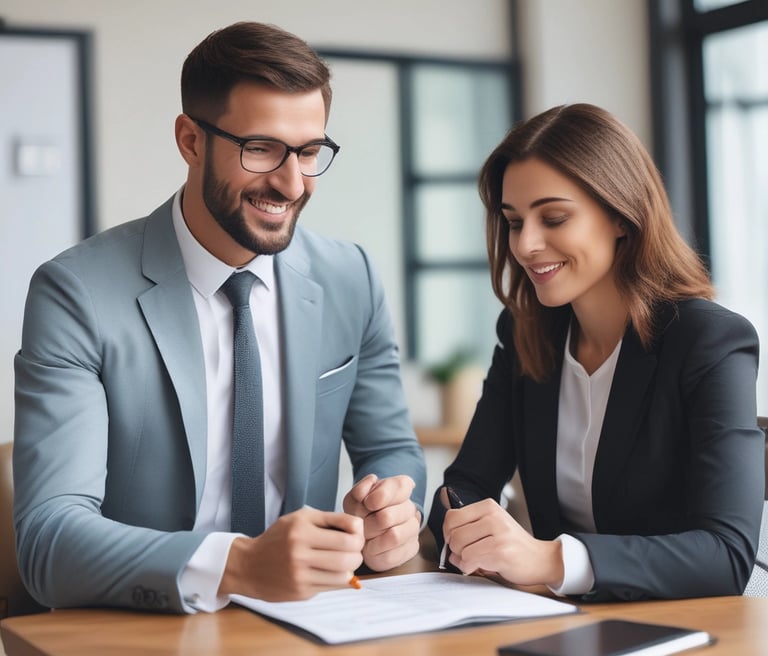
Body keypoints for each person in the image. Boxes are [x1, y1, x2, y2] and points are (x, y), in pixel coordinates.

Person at [13, 21, 426, 614]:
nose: (290, 183)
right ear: (190, 141)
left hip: (312, 623)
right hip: (145, 629)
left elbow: (392, 448)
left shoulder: (349, 276)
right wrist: (238, 566)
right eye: (260, 149)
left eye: (309, 153)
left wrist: (395, 514)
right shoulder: (76, 293)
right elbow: (48, 541)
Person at [427, 103, 763, 601]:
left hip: (681, 630)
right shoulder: (525, 334)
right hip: (557, 622)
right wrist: (457, 524)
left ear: (621, 217)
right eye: (514, 222)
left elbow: (726, 555)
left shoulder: (708, 341)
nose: (526, 245)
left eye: (554, 218)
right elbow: (466, 486)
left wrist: (550, 558)